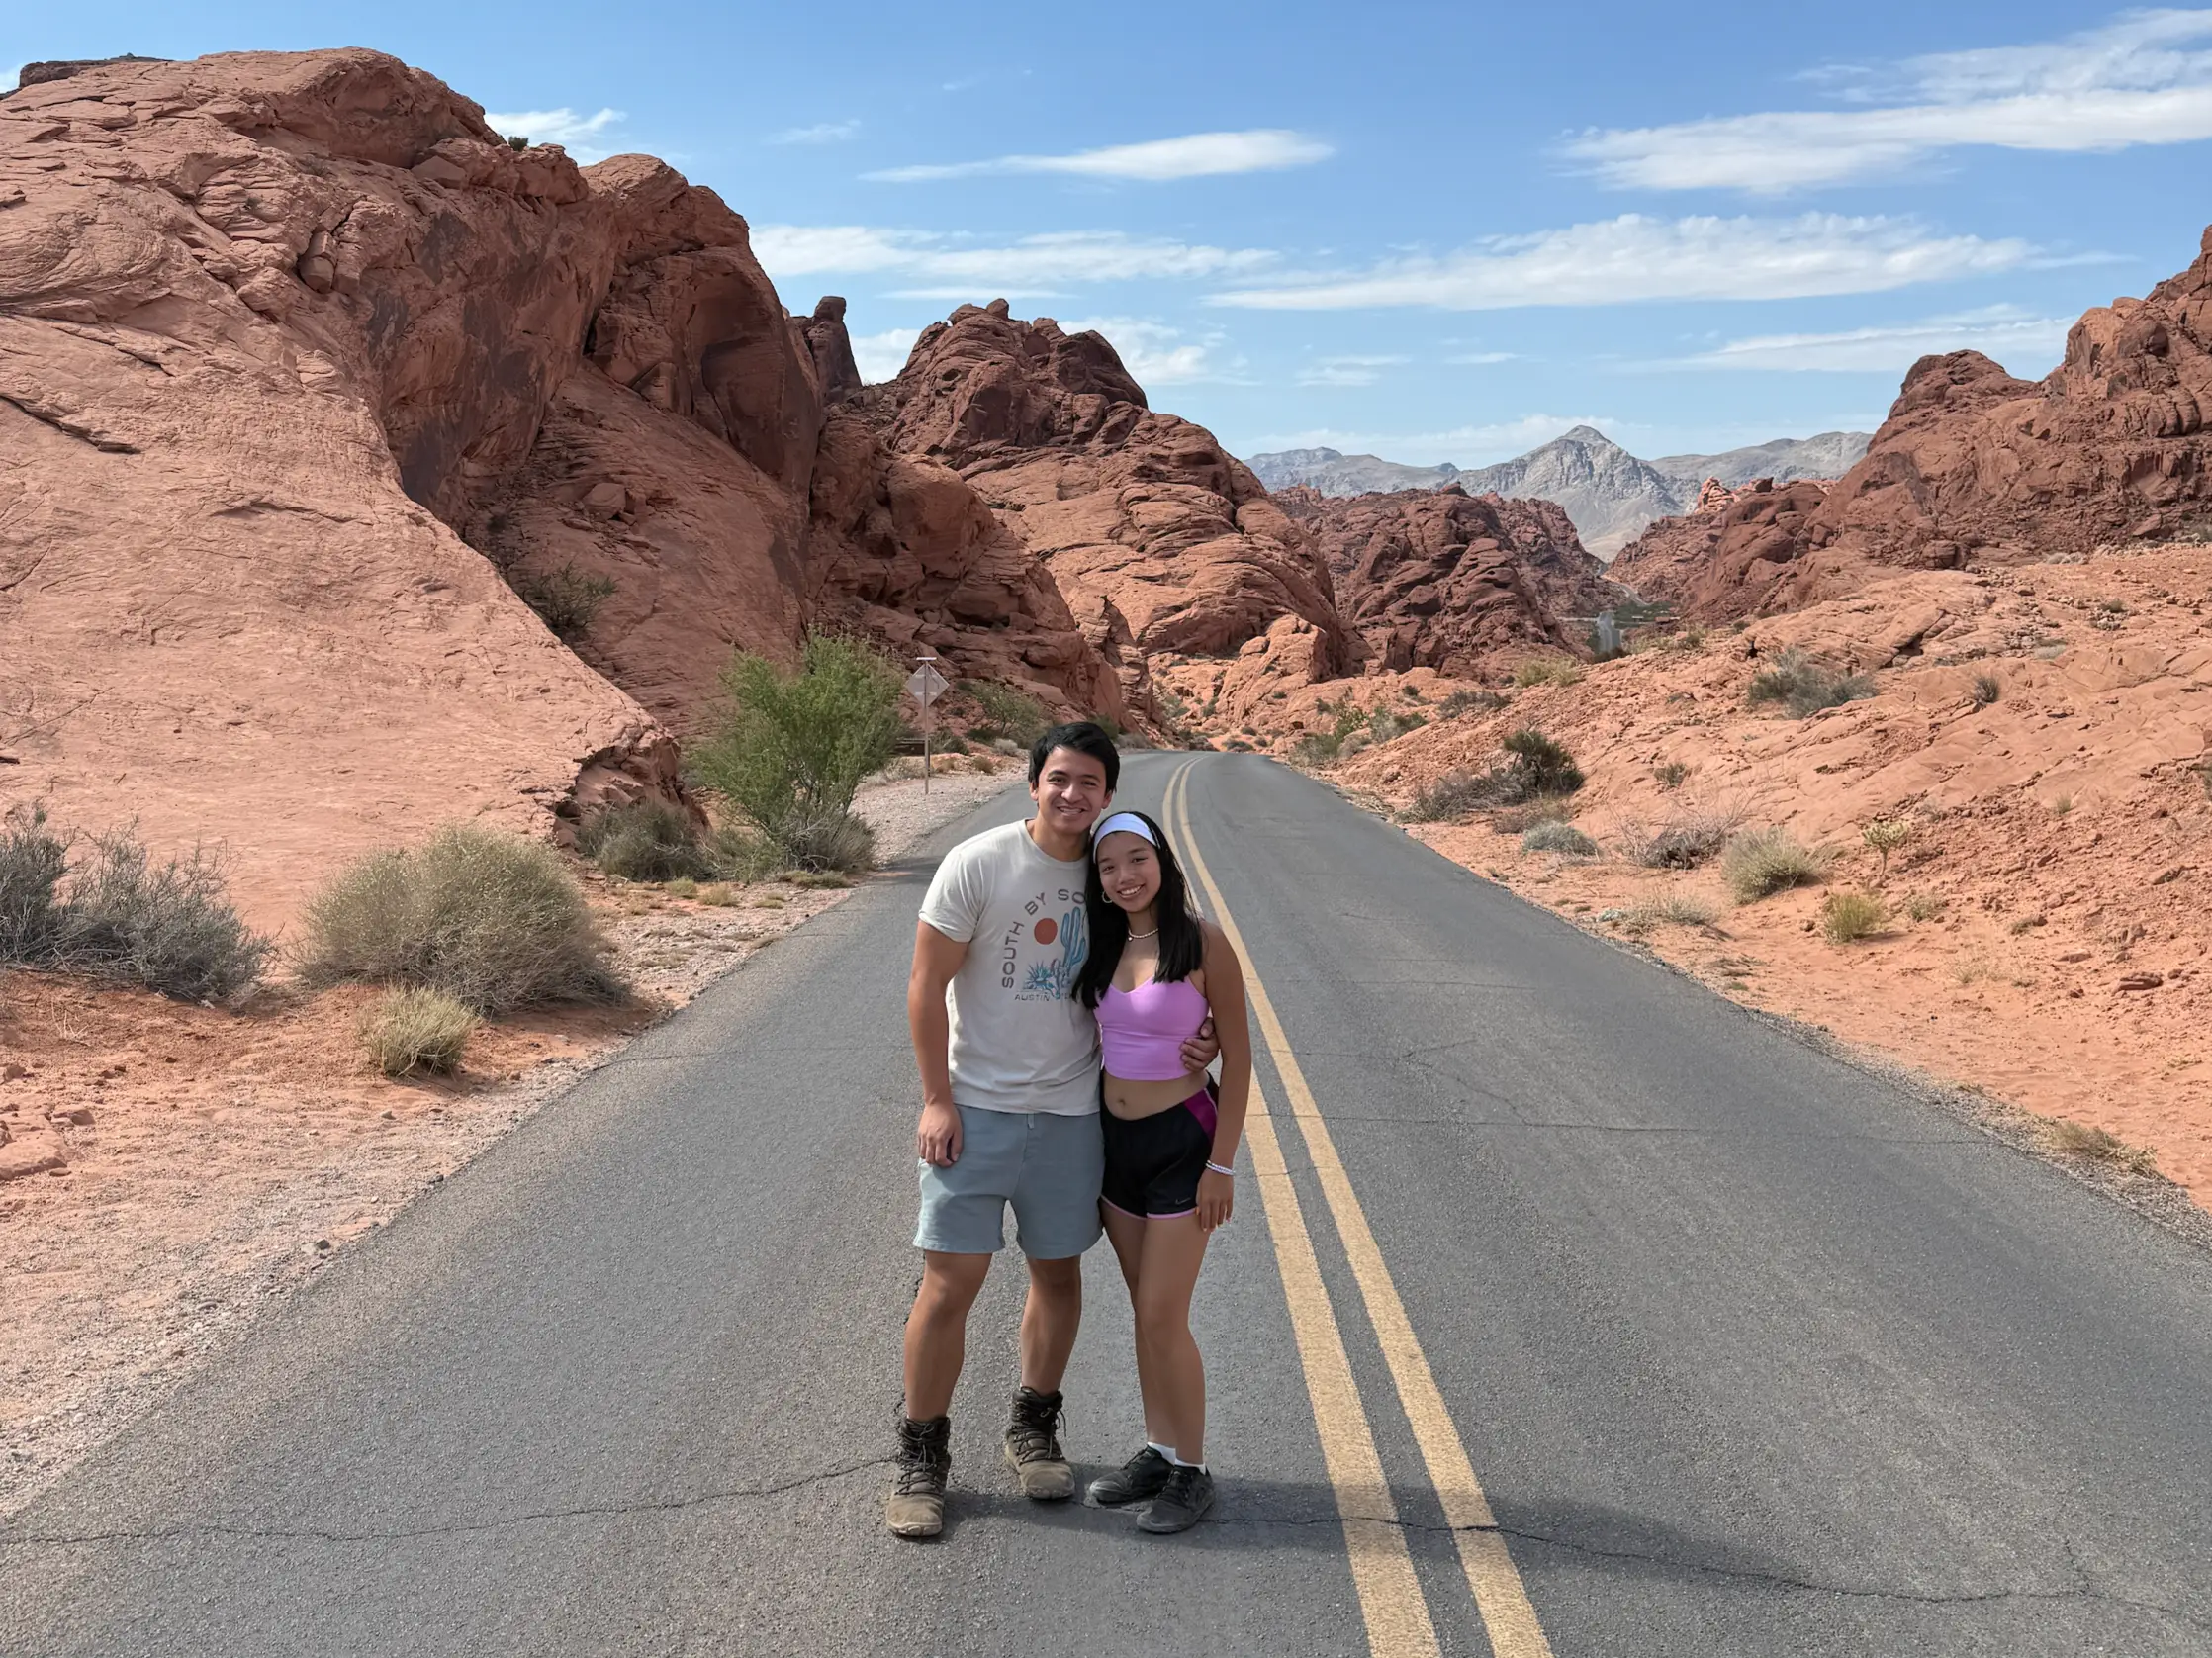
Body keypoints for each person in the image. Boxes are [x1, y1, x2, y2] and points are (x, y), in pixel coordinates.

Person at [888, 723, 1215, 1540]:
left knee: (1057, 1276)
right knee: (949, 1284)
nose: (1073, 796)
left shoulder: (1113, 879)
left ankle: (1033, 1427)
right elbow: (926, 987)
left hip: (1074, 1113)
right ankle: (922, 1456)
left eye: (1090, 783)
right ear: (1033, 781)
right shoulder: (980, 862)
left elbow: (1153, 973)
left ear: (1110, 794)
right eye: (1059, 778)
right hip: (976, 1108)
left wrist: (1193, 1037)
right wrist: (937, 1099)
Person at [1075, 808, 1251, 1534]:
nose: (1123, 877)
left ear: (1161, 860)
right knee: (1142, 1311)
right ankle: (1157, 1447)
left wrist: (1222, 1166)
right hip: (1117, 1145)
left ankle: (1192, 1470)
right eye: (1108, 865)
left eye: (1135, 860)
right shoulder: (1103, 939)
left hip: (1185, 1140)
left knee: (1161, 1313)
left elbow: (1239, 1057)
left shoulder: (1202, 940)